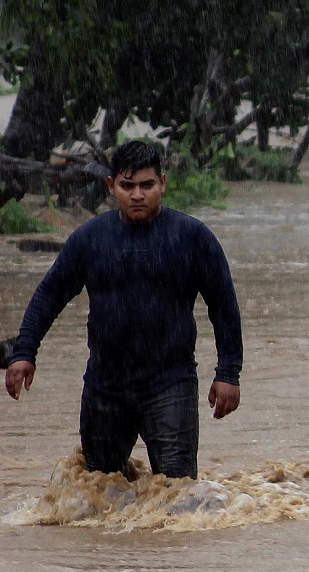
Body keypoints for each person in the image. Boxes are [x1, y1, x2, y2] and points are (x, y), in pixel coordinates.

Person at [5, 139, 242, 479]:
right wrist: (24, 352)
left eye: (147, 185)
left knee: (179, 495)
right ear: (110, 186)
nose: (138, 195)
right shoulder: (90, 239)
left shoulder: (193, 238)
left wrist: (228, 374)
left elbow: (224, 307)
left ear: (163, 183)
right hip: (105, 386)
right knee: (98, 491)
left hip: (170, 384)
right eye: (127, 186)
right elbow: (49, 295)